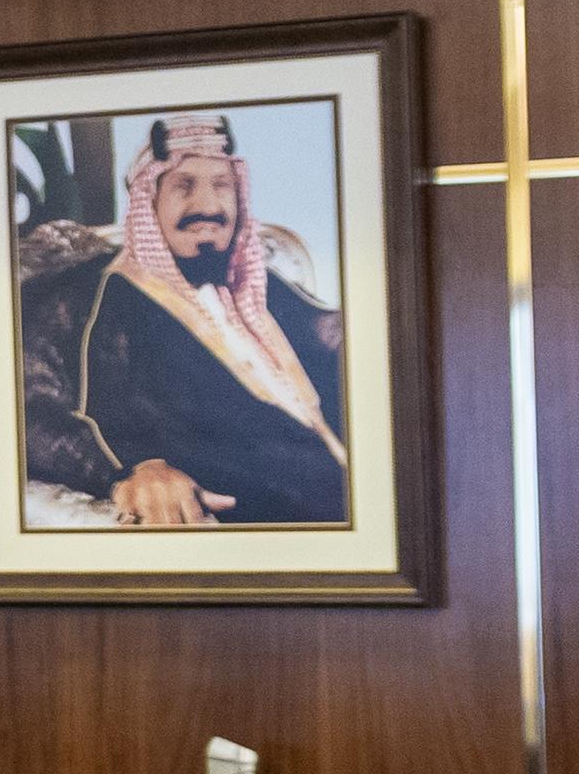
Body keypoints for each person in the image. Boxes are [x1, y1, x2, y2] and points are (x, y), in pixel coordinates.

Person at [17, 113, 348, 527]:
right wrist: (131, 473)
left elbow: (334, 338)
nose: (207, 206)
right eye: (183, 185)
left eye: (221, 185)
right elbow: (26, 412)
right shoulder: (89, 294)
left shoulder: (258, 285)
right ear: (149, 201)